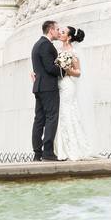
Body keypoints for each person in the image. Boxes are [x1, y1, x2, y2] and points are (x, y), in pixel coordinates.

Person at [53, 26, 96, 161]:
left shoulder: (73, 52)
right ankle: (60, 148)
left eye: (63, 32)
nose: (60, 33)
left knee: (67, 113)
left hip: (67, 85)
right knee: (60, 114)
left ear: (69, 37)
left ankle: (72, 148)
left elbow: (78, 72)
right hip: (57, 85)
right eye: (60, 31)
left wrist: (67, 70)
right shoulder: (57, 51)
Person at [31, 20, 63, 161]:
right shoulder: (45, 45)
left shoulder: (37, 44)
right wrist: (64, 70)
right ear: (50, 30)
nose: (58, 32)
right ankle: (48, 152)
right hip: (48, 87)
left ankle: (37, 153)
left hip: (39, 87)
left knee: (39, 120)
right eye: (57, 29)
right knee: (51, 118)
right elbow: (50, 68)